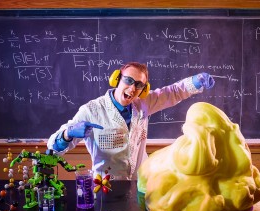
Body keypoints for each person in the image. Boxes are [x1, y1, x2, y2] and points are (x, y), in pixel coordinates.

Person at [47, 62, 215, 180]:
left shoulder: (143, 104)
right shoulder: (91, 110)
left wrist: (196, 80)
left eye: (139, 85)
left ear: (144, 89)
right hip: (106, 186)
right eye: (128, 81)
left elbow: (172, 93)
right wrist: (68, 134)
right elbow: (53, 148)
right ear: (117, 79)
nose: (133, 88)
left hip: (142, 182)